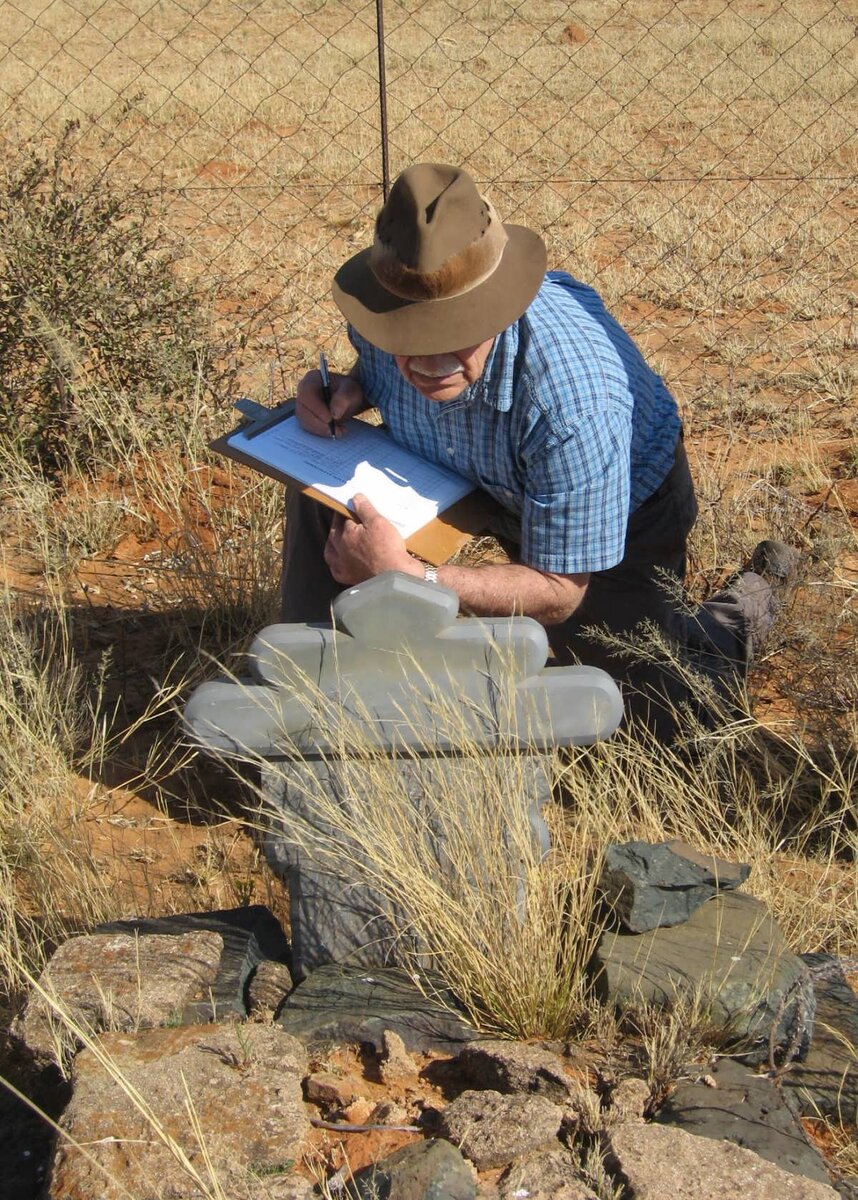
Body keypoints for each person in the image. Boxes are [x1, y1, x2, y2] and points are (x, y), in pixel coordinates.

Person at [281, 162, 796, 741]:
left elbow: (559, 589)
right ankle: (317, 688)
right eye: (408, 337)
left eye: (452, 332)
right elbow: (379, 365)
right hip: (468, 472)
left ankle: (738, 613)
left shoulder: (575, 397)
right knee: (320, 490)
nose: (424, 361)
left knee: (638, 723)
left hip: (620, 507)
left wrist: (413, 581)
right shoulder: (383, 315)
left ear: (498, 308)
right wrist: (352, 390)